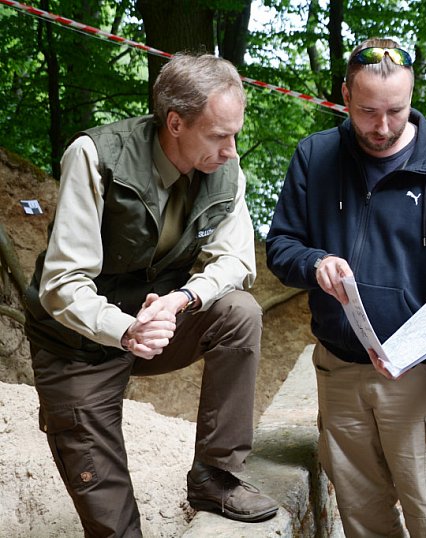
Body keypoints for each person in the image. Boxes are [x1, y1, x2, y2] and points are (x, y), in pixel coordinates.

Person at [24, 53, 279, 536]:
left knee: (238, 312)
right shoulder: (94, 156)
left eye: (236, 134)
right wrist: (125, 329)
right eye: (219, 135)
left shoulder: (228, 169)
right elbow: (61, 284)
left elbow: (237, 262)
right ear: (176, 122)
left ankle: (215, 477)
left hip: (158, 321)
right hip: (77, 342)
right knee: (114, 524)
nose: (231, 149)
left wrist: (181, 300)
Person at [265, 38, 426, 537]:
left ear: (412, 98)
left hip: (416, 376)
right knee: (361, 518)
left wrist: (411, 347)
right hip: (340, 369)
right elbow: (281, 244)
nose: (382, 127)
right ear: (344, 95)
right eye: (367, 111)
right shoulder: (314, 155)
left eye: (396, 111)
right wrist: (314, 261)